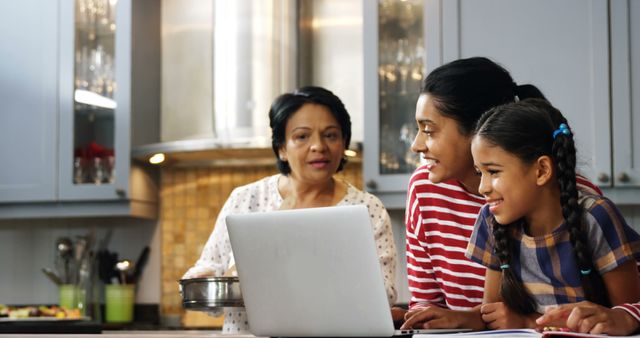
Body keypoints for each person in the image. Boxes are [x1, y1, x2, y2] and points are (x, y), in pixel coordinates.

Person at [400, 57, 602, 331]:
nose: (416, 145)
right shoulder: (424, 189)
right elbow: (426, 303)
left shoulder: (572, 197)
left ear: (482, 127)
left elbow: (617, 313)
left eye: (428, 130)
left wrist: (519, 322)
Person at [181, 86, 397, 333]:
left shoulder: (368, 209)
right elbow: (207, 273)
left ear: (344, 142)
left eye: (331, 135)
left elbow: (385, 295)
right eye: (302, 136)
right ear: (281, 148)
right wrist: (205, 278)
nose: (318, 146)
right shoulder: (245, 199)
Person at [466, 98, 640, 331]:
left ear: (542, 170)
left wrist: (528, 322)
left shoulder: (594, 217)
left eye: (493, 171)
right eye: (480, 173)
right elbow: (494, 317)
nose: (482, 187)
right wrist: (457, 318)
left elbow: (630, 318)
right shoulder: (491, 220)